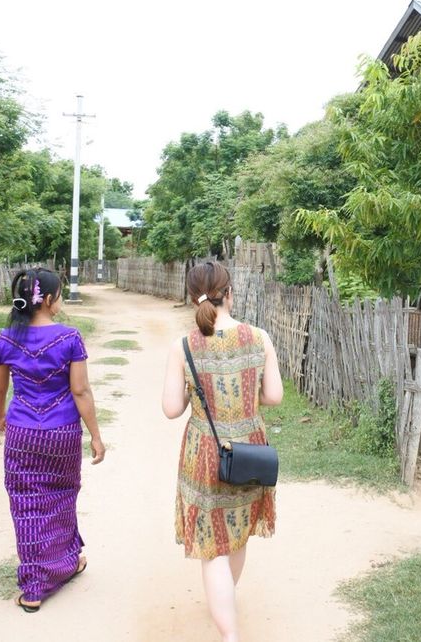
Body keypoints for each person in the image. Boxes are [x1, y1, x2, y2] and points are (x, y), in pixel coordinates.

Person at [163, 261, 283, 642]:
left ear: (192, 299)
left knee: (212, 547)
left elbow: (171, 408)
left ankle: (229, 633)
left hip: (205, 454)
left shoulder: (184, 346)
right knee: (236, 534)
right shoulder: (259, 337)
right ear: (230, 293)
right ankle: (225, 599)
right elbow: (274, 396)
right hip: (249, 453)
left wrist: (194, 393)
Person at [0, 268, 106, 612]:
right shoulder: (70, 338)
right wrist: (96, 435)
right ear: (50, 299)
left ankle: (34, 587)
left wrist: (0, 416)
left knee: (25, 505)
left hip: (22, 433)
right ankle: (66, 561)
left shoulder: (7, 339)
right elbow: (80, 391)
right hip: (62, 433)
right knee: (62, 498)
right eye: (61, 295)